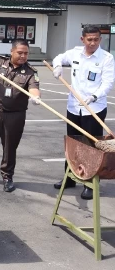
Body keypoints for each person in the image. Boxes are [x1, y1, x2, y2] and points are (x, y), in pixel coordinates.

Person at [51, 26, 115, 200]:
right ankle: (70, 178)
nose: (92, 43)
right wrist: (57, 66)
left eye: (96, 39)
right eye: (89, 39)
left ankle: (90, 183)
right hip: (74, 106)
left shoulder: (106, 59)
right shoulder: (75, 53)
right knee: (72, 143)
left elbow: (108, 83)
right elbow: (59, 57)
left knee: (91, 146)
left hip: (93, 108)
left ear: (100, 40)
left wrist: (94, 96)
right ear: (82, 39)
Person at [0, 39, 42, 193]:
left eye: (26, 53)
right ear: (12, 51)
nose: (23, 56)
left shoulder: (31, 72)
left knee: (10, 148)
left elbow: (34, 87)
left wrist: (36, 97)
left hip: (15, 115)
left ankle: (7, 177)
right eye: (20, 52)